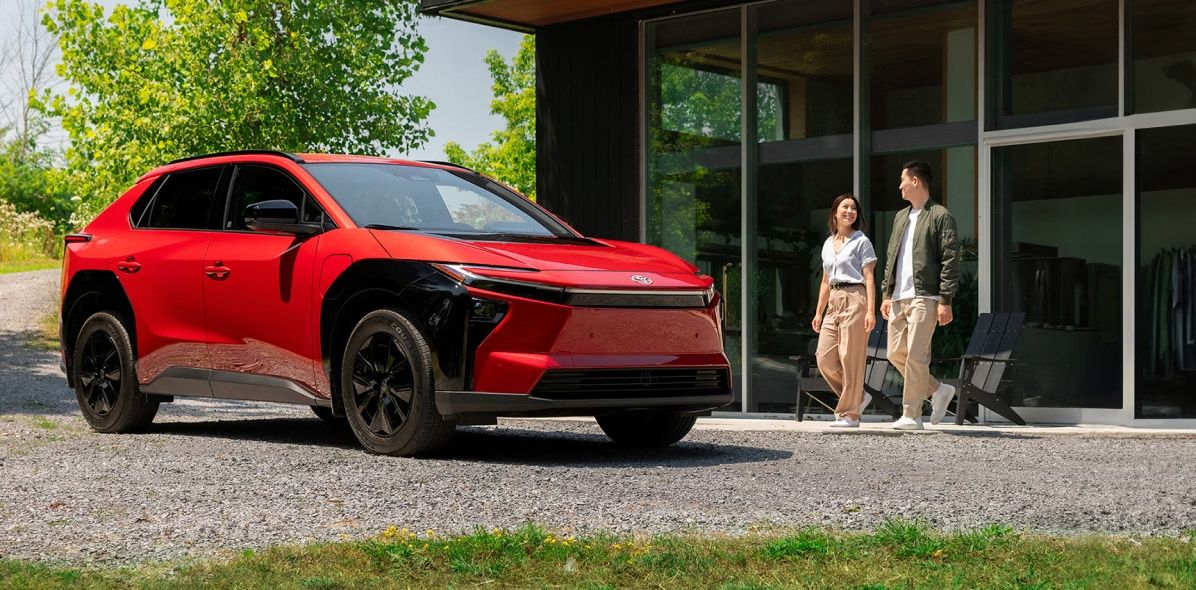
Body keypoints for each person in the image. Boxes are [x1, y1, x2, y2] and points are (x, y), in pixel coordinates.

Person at [879, 160, 961, 430]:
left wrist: (945, 299)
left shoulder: (940, 215)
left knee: (916, 355)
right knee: (894, 353)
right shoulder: (901, 217)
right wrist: (886, 294)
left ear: (915, 181)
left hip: (925, 296)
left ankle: (912, 415)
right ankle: (937, 390)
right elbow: (892, 257)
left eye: (903, 180)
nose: (900, 186)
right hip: (899, 298)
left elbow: (951, 259)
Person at [812, 193, 877, 428]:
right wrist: (819, 312)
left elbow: (869, 278)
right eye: (845, 207)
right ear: (835, 213)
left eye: (853, 208)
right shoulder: (829, 243)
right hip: (834, 300)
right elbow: (825, 280)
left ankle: (851, 414)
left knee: (851, 357)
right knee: (824, 358)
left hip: (855, 298)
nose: (850, 211)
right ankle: (858, 397)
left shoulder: (862, 241)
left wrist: (871, 310)